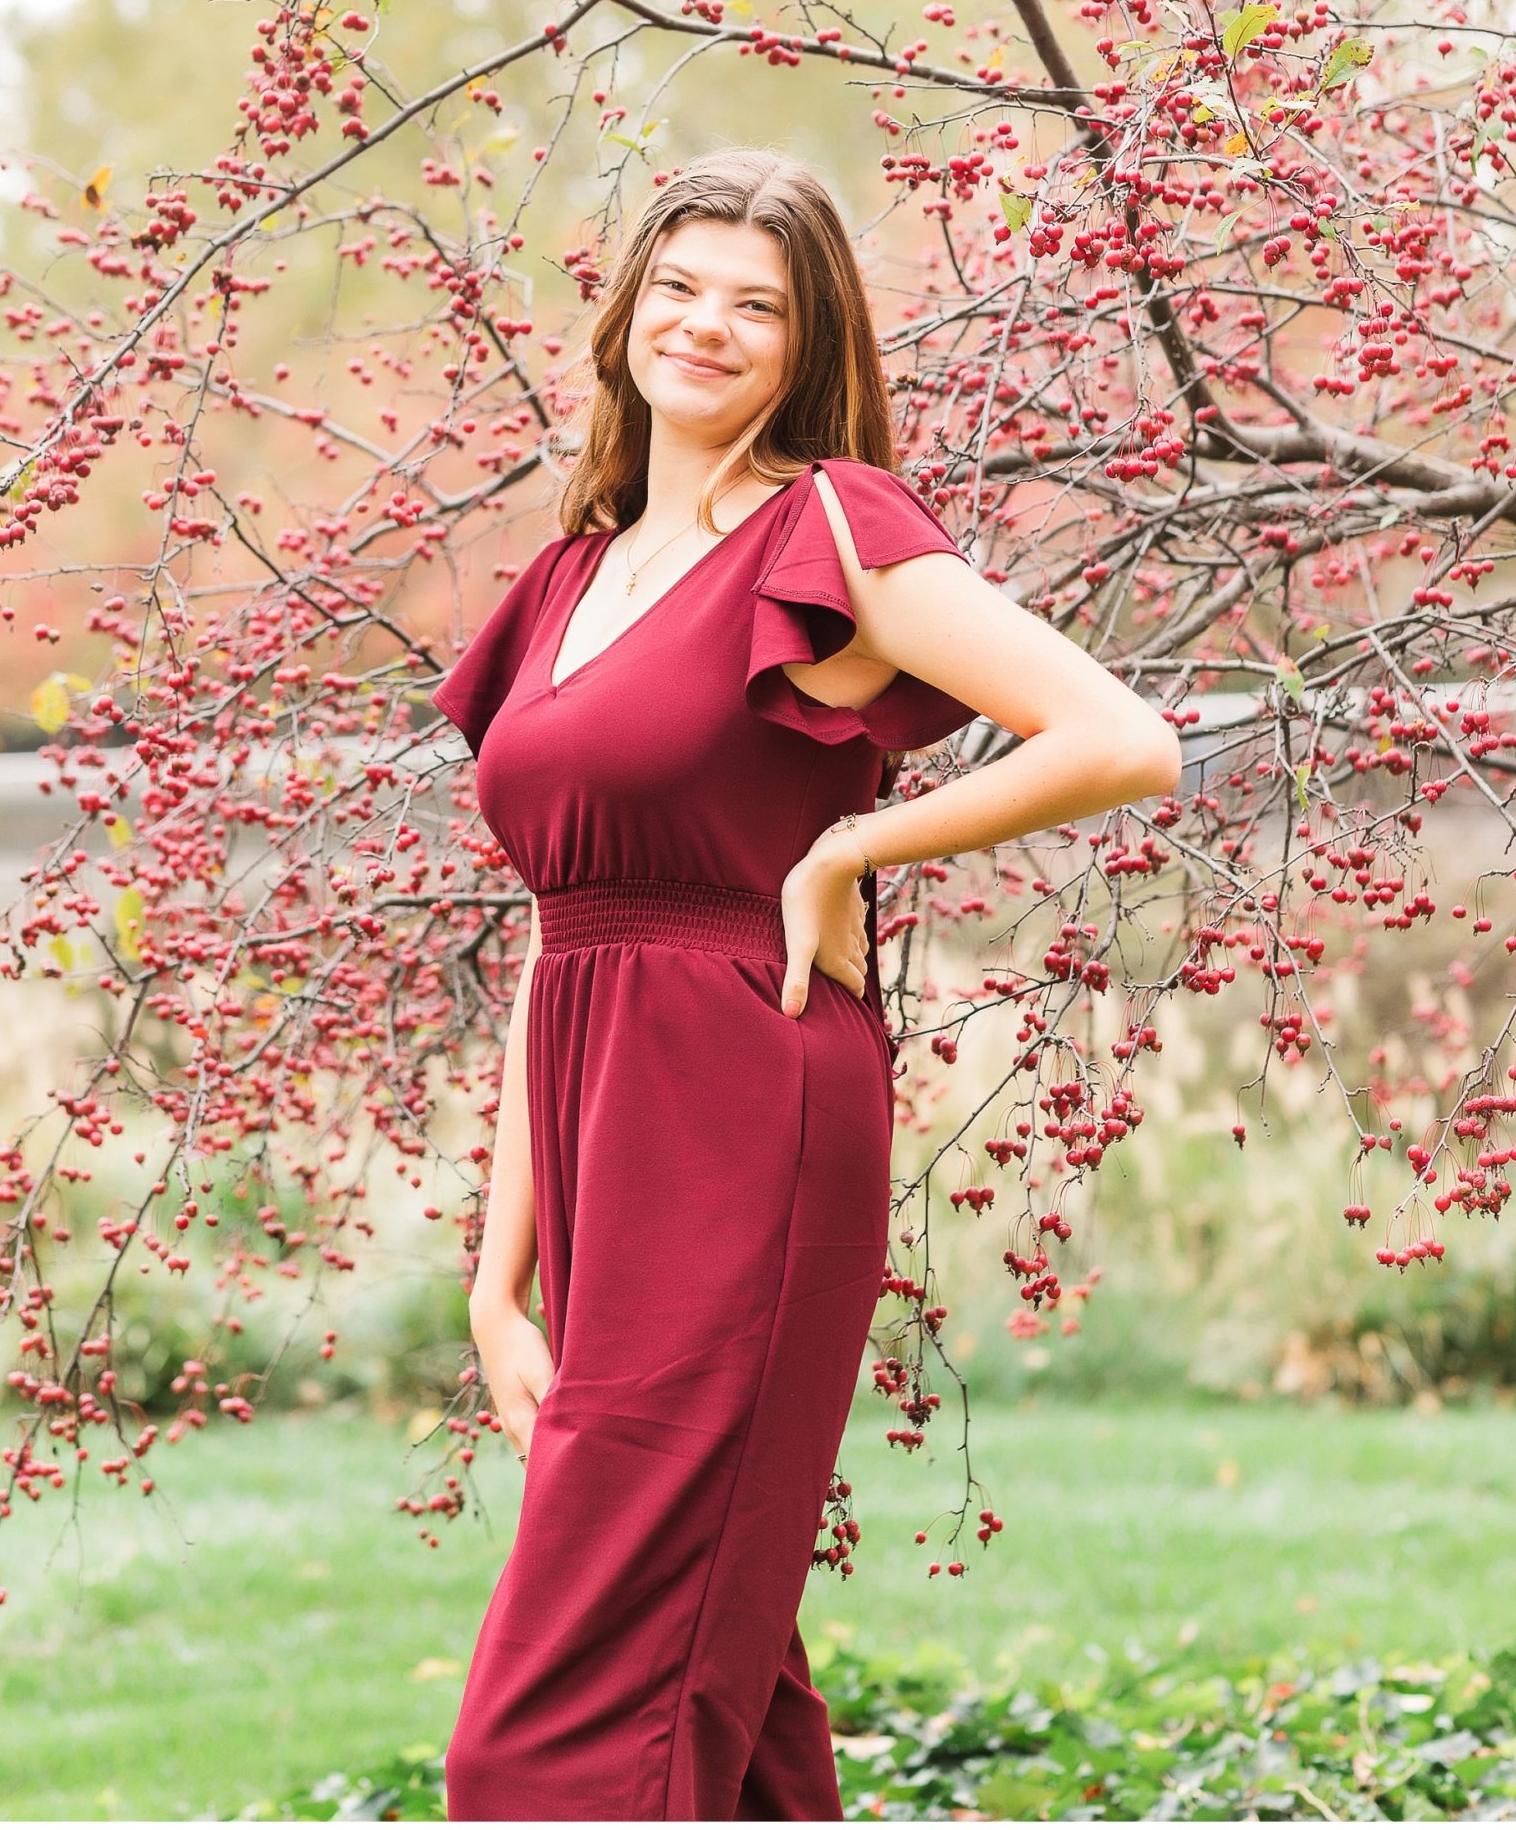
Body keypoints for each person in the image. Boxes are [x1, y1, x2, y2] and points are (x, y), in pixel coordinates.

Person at [431, 148, 1182, 1822]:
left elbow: (1120, 739)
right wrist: (499, 1275)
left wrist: (849, 850)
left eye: (756, 306)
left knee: (557, 1734)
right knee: (717, 1668)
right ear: (627, 312)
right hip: (602, 1120)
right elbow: (563, 931)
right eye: (679, 287)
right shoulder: (569, 575)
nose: (706, 326)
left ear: (807, 341)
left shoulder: (832, 524)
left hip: (743, 1104)